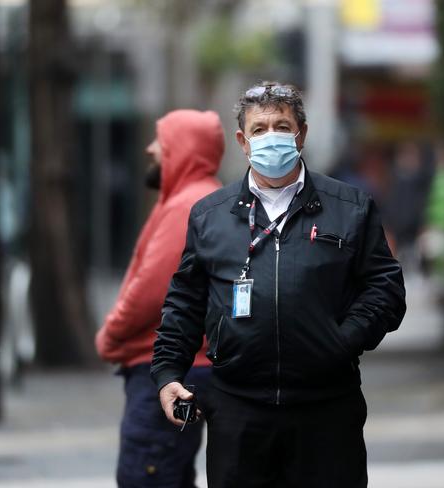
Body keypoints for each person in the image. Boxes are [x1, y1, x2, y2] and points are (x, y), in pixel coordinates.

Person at [151, 81, 406, 488]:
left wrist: (341, 342)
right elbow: (184, 302)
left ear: (300, 134)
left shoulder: (350, 207)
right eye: (259, 128)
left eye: (282, 126)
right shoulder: (209, 215)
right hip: (238, 411)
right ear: (242, 140)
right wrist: (168, 374)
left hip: (327, 410)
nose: (271, 137)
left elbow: (386, 289)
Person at [95, 110, 225, 487]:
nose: (149, 149)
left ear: (182, 149)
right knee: (169, 473)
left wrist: (109, 336)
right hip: (183, 365)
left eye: (160, 141)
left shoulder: (188, 204)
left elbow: (151, 291)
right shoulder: (196, 199)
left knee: (147, 475)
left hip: (170, 369)